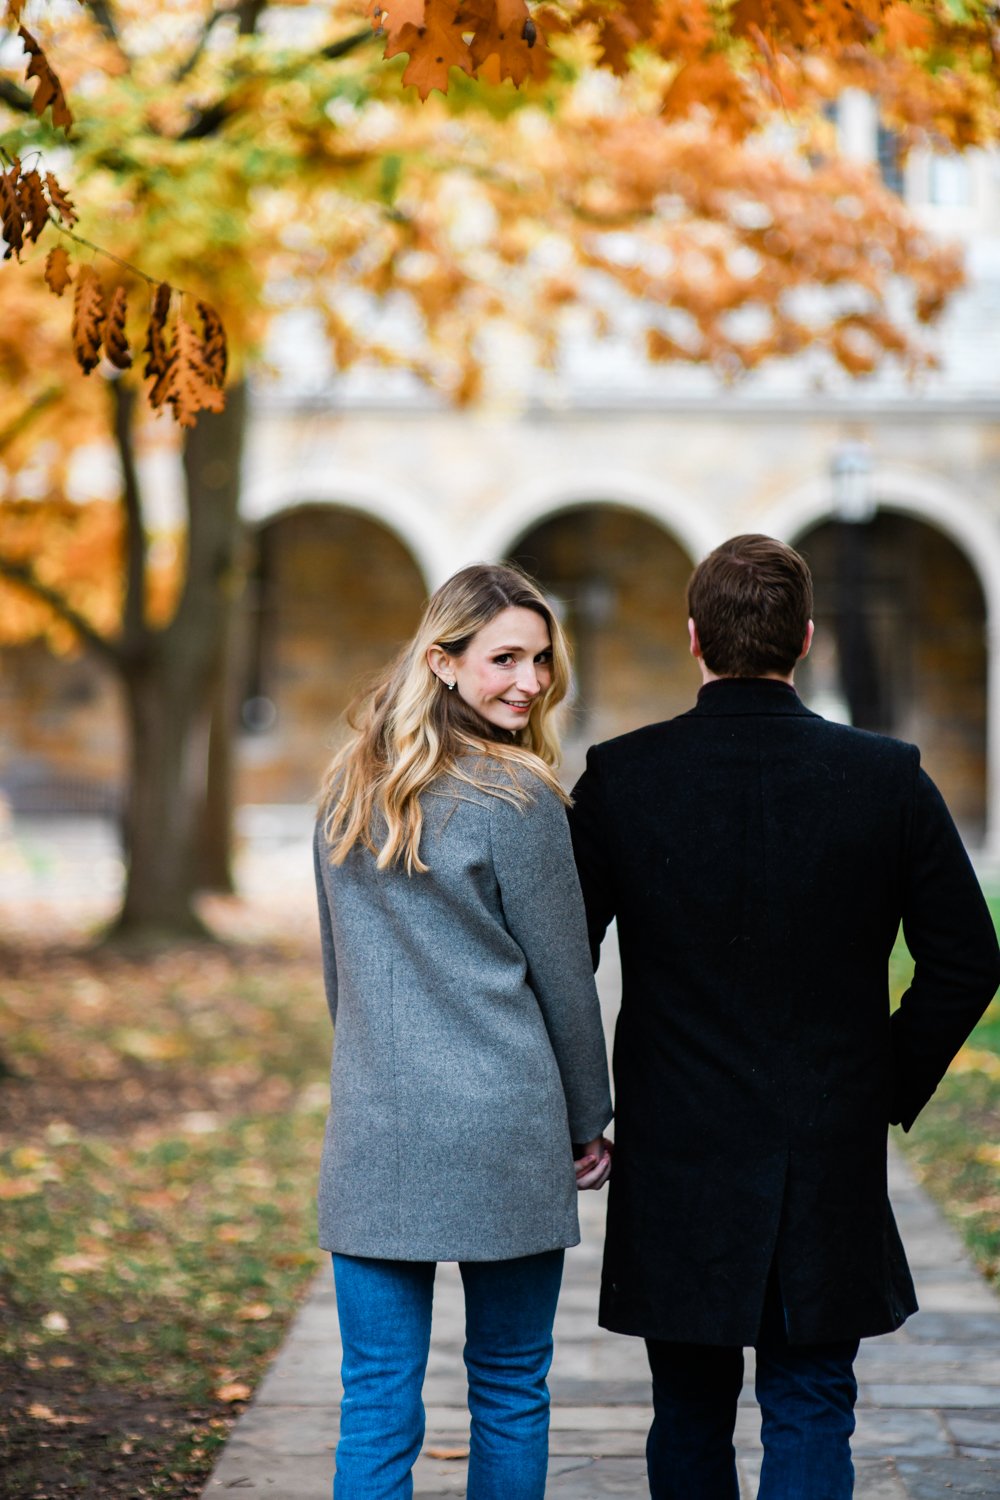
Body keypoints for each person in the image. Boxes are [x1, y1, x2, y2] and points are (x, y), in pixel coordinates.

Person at [568, 533, 1000, 1500]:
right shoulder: (887, 777)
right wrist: (887, 1078)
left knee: (687, 1407)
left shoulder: (623, 777)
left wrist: (580, 1106)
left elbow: (560, 956)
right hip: (825, 1138)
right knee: (811, 1399)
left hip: (678, 1141)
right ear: (805, 638)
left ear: (693, 638)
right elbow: (969, 958)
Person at [313, 561, 613, 1500]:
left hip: (376, 1123)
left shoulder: (345, 793)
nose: (529, 680)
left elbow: (340, 976)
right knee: (512, 1387)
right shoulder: (521, 800)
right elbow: (567, 980)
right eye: (504, 659)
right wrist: (589, 1116)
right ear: (442, 662)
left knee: (375, 1400)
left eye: (540, 659)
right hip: (505, 1125)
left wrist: (375, 1067)